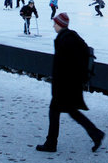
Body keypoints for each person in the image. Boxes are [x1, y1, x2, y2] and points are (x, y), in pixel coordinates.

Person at [36, 13, 104, 153]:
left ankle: (51, 143)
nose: (53, 25)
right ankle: (95, 133)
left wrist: (58, 85)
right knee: (71, 111)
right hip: (72, 83)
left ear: (60, 25)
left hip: (65, 85)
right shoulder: (72, 37)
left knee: (56, 111)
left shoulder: (65, 40)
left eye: (55, 23)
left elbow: (63, 66)